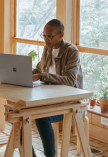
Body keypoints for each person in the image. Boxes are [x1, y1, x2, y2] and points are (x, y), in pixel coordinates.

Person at [32, 19, 83, 157]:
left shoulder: (71, 51)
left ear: (61, 35)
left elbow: (70, 81)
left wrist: (43, 76)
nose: (46, 40)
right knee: (16, 111)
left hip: (71, 101)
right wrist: (24, 73)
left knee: (41, 117)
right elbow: (39, 68)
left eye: (50, 36)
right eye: (44, 35)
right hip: (50, 97)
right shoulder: (47, 48)